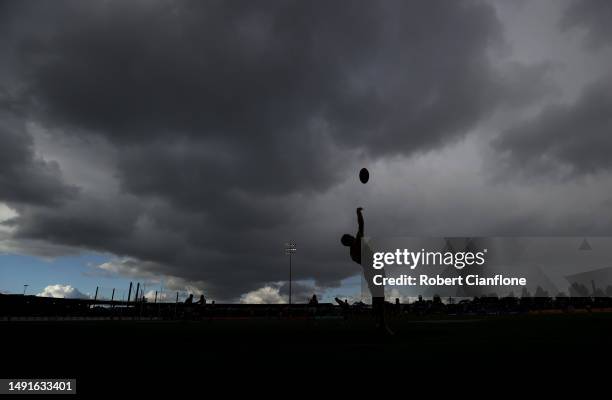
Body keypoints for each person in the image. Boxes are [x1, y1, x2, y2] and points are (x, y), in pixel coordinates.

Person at [341, 207, 391, 334]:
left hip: (373, 271)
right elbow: (361, 225)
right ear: (349, 241)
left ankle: (379, 322)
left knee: (378, 298)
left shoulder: (352, 253)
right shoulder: (357, 245)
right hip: (374, 271)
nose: (353, 236)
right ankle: (382, 324)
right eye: (350, 237)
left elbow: (361, 227)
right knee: (379, 299)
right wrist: (358, 213)